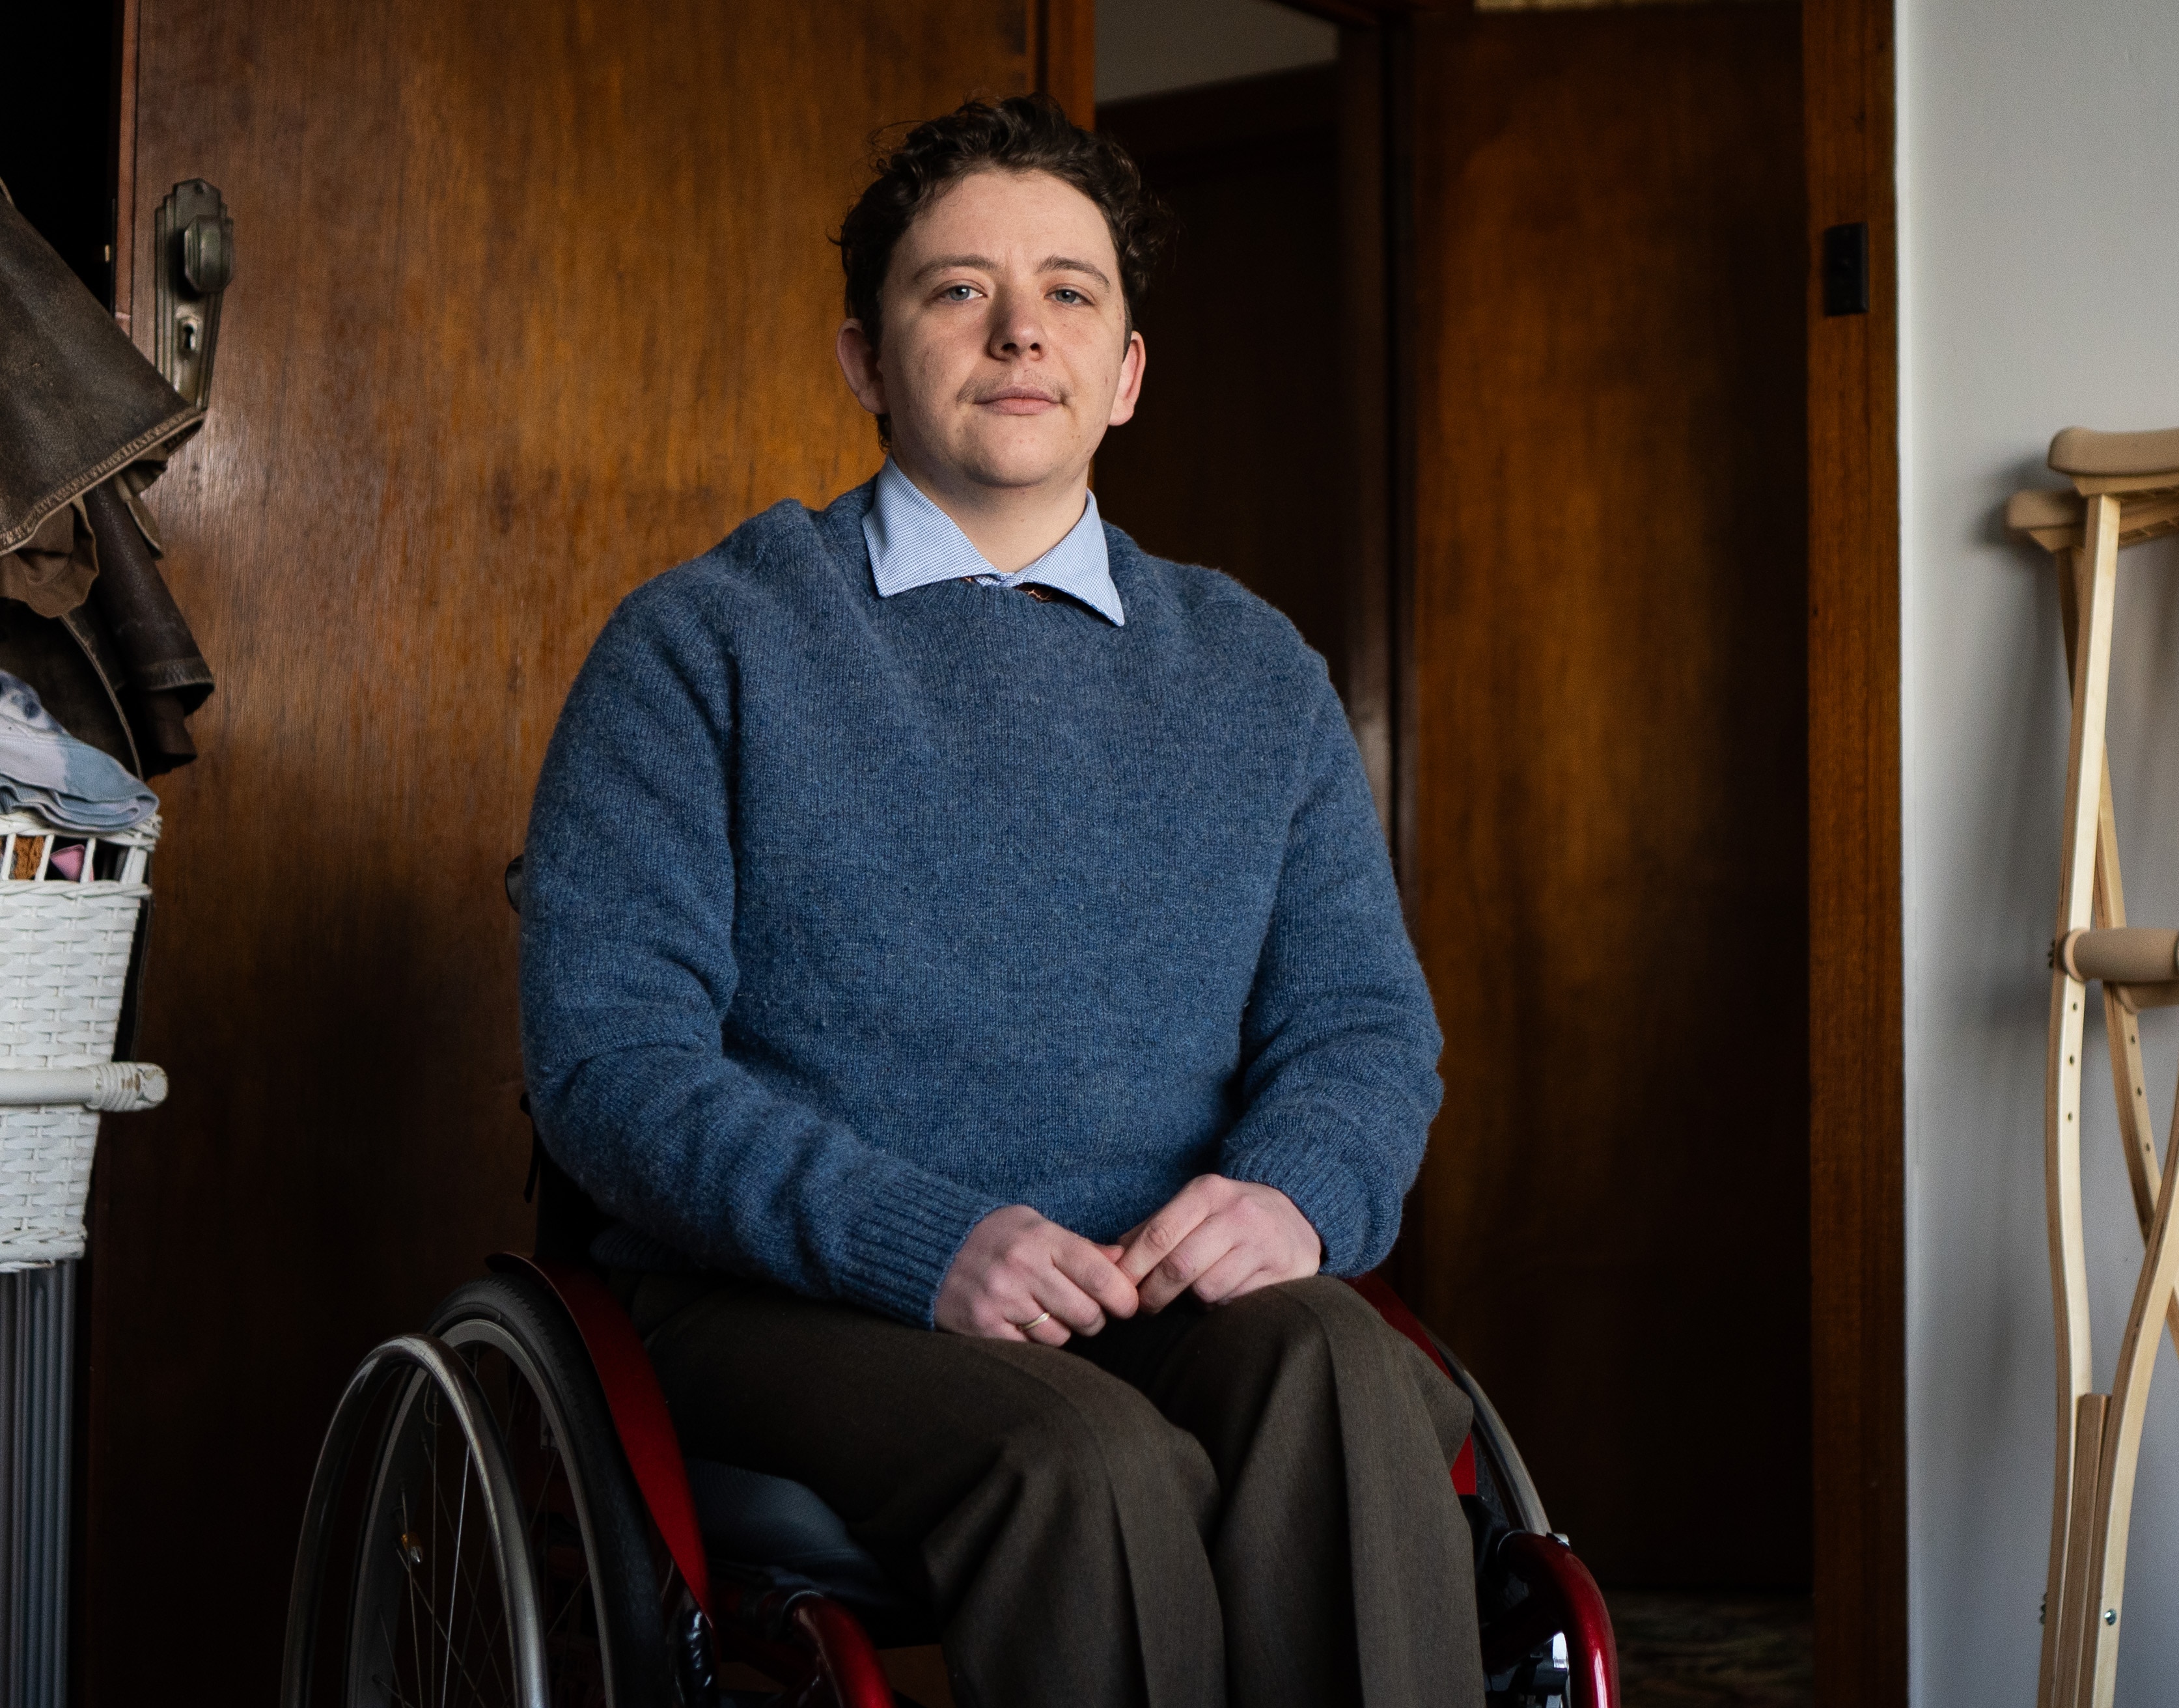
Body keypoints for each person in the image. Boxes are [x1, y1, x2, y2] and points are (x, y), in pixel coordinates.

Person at [518, 94, 1480, 1707]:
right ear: (863, 357)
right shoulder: (708, 646)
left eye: (1072, 293)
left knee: (1345, 1366)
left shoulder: (1252, 669)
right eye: (958, 288)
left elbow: (1365, 1027)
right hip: (800, 1298)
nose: (1020, 329)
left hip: (1158, 1283)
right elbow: (611, 1067)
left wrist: (1296, 1197)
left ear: (1126, 374)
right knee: (1086, 1461)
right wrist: (925, 1240)